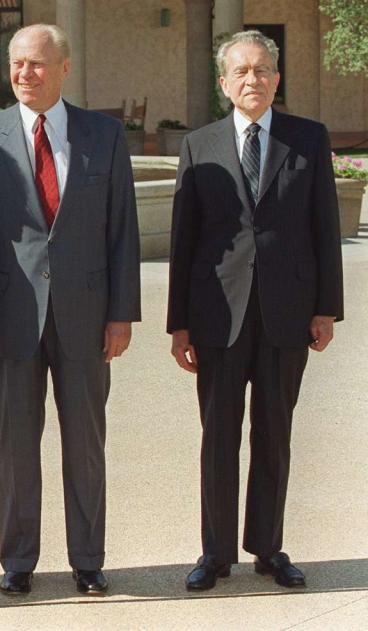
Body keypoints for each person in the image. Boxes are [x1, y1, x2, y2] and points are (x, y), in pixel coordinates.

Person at [0, 24, 140, 596]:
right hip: (10, 319)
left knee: (85, 440)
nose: (23, 74)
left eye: (36, 63)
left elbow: (123, 233)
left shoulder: (105, 135)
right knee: (15, 443)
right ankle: (19, 561)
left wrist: (121, 313)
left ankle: (88, 558)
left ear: (65, 68)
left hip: (87, 316)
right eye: (16, 63)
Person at [168, 30, 343, 591]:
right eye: (241, 72)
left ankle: (268, 547)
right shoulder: (200, 144)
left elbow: (325, 227)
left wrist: (326, 309)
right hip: (218, 314)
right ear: (224, 83)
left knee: (274, 432)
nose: (253, 80)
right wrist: (180, 324)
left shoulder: (308, 140)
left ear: (277, 78)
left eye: (263, 70)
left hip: (288, 314)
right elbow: (184, 238)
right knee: (218, 435)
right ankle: (215, 554)